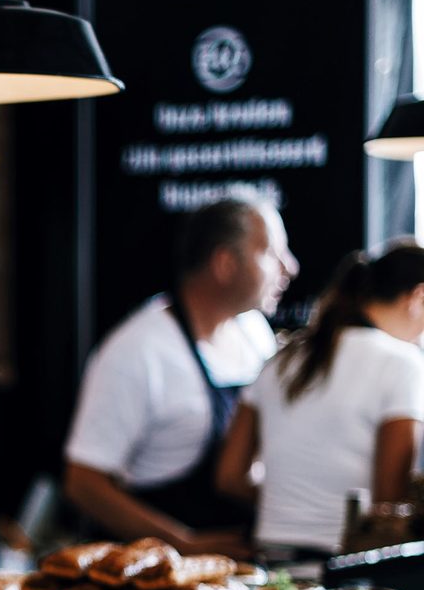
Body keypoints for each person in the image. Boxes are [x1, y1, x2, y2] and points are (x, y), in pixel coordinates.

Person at [63, 195, 299, 555]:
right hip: (155, 576)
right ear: (224, 263)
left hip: (244, 567)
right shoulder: (137, 352)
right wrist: (183, 545)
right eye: (271, 252)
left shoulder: (253, 331)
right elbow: (83, 483)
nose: (290, 267)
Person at [217, 241, 424, 556]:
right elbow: (388, 504)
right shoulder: (403, 363)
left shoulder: (281, 358)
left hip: (271, 561)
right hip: (347, 569)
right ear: (418, 297)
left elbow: (229, 477)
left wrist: (292, 505)